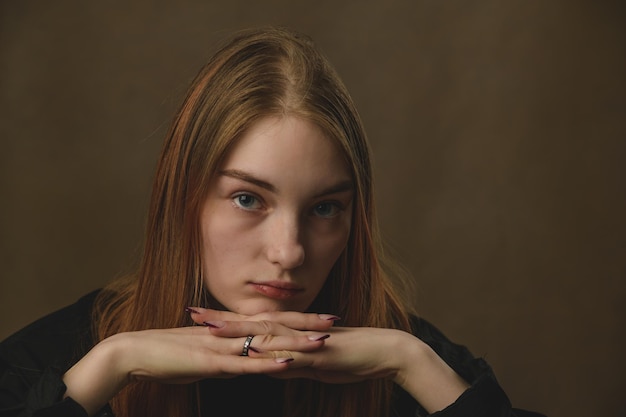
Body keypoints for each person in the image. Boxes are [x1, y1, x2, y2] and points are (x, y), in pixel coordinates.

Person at [0, 27, 545, 417]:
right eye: (247, 199)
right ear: (182, 199)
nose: (289, 253)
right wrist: (110, 367)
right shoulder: (47, 363)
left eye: (325, 208)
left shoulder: (421, 364)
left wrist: (412, 365)